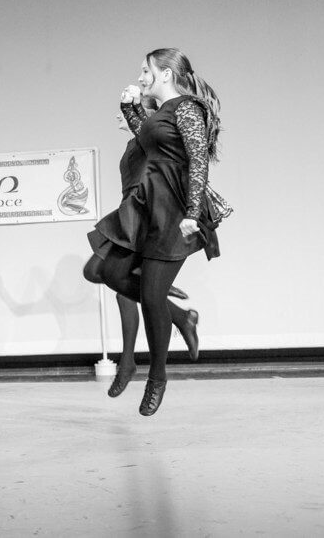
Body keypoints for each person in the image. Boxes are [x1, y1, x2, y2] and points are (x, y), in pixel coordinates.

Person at [87, 48, 222, 416]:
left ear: (165, 74)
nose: (141, 75)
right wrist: (130, 106)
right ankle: (181, 317)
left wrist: (193, 212)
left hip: (174, 209)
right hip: (146, 205)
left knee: (149, 297)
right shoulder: (160, 113)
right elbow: (143, 137)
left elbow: (197, 159)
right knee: (104, 270)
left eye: (146, 70)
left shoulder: (187, 108)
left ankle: (157, 377)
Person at [83, 101, 200, 399]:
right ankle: (173, 320)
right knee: (97, 272)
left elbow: (177, 167)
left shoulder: (152, 142)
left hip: (148, 215)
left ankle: (130, 364)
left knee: (119, 284)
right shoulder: (132, 143)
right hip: (130, 213)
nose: (117, 116)